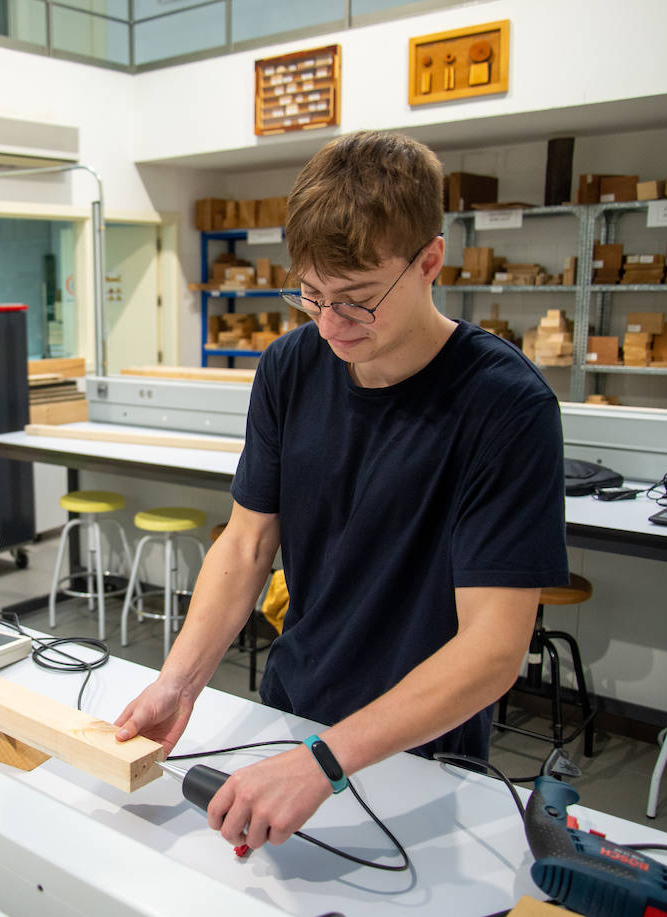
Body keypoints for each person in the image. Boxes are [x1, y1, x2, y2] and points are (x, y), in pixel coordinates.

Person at [114, 131, 567, 852]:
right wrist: (181, 680)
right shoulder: (290, 368)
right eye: (312, 296)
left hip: (421, 753)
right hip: (291, 720)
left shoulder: (505, 406)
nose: (330, 325)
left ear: (430, 261)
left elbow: (493, 647)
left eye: (356, 301)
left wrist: (326, 764)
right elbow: (247, 540)